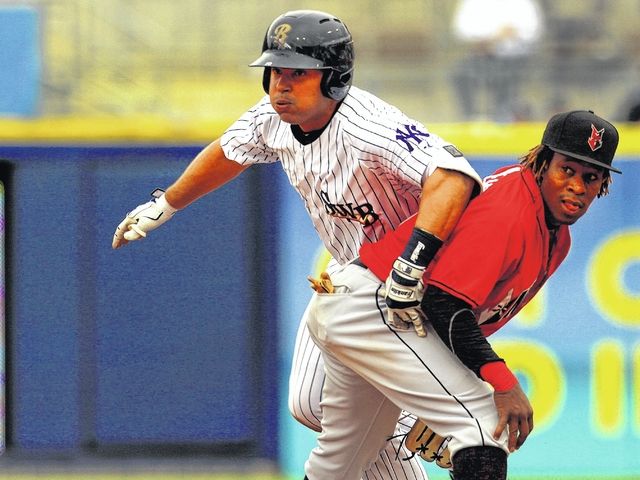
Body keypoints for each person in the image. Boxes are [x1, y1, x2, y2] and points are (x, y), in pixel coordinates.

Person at [111, 9, 482, 480]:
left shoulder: (369, 126)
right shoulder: (271, 118)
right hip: (348, 277)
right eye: (275, 71)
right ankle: (415, 420)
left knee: (354, 418)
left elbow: (452, 177)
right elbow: (229, 150)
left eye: (298, 73)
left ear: (334, 77)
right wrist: (164, 205)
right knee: (310, 405)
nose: (280, 85)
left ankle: (433, 418)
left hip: (408, 290)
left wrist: (413, 263)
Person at [302, 110, 621, 480]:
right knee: (485, 425)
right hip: (376, 304)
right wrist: (501, 381)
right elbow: (442, 301)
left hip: (373, 312)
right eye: (566, 169)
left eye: (591, 177)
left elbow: (461, 313)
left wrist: (445, 385)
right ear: (542, 162)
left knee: (339, 464)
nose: (578, 187)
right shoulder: (510, 210)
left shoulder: (554, 236)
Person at [450, 0, 543, 121]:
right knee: (460, 74)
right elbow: (461, 30)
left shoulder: (524, 3)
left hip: (515, 57)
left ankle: (503, 117)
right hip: (481, 57)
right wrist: (492, 37)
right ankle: (470, 118)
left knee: (505, 77)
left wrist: (513, 33)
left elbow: (533, 31)